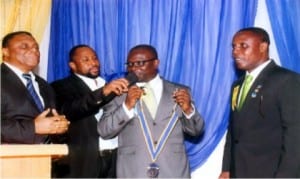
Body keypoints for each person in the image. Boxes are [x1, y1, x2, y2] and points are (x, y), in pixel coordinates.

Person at [97, 44, 204, 178]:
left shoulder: (180, 91)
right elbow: (104, 131)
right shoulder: (119, 93)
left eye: (140, 63)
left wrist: (188, 110)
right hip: (133, 172)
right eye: (130, 64)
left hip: (173, 171)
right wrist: (126, 107)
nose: (134, 68)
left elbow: (196, 131)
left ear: (156, 63)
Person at [219, 27, 300, 178]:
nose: (235, 52)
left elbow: (295, 135)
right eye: (234, 47)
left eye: (243, 46)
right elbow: (234, 130)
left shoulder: (287, 80)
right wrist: (227, 168)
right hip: (239, 172)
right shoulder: (237, 85)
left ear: (263, 47)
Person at [51, 44, 129, 178]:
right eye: (86, 60)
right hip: (83, 161)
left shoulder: (108, 84)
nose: (93, 63)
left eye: (95, 58)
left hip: (115, 159)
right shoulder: (60, 86)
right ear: (73, 65)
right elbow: (70, 110)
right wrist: (102, 93)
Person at [1, 31, 69, 144]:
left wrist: (59, 128)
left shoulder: (44, 85)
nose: (34, 50)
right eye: (24, 46)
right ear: (5, 51)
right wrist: (33, 128)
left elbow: (49, 127)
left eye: (36, 47)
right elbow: (36, 126)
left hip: (43, 158)